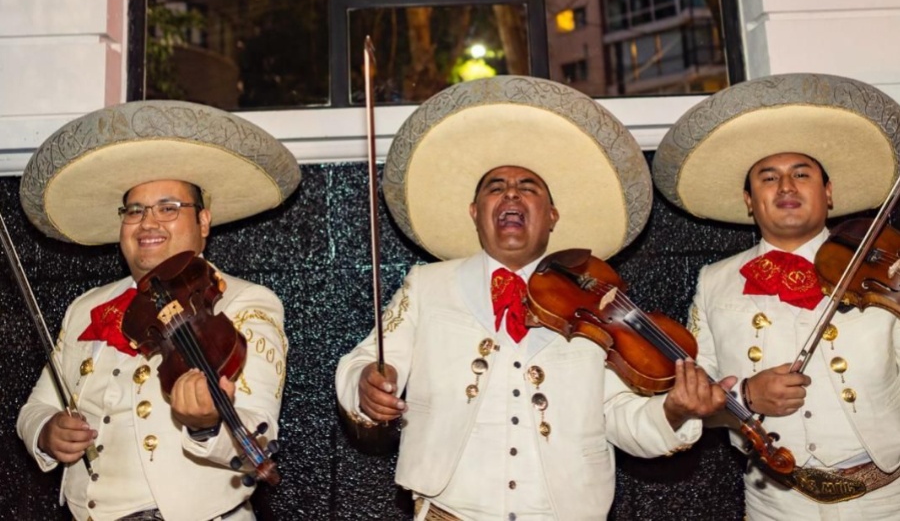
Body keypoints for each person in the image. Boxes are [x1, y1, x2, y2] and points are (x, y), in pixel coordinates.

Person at [336, 75, 733, 521]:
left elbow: (621, 418)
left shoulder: (597, 305)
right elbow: (364, 361)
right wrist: (366, 384)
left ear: (552, 216)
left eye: (529, 187)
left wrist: (674, 410)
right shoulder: (427, 285)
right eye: (495, 186)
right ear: (475, 213)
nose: (511, 192)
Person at [16, 100, 300, 521]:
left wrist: (205, 424)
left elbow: (257, 430)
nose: (148, 223)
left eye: (168, 208)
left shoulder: (246, 302)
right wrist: (45, 432)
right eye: (135, 211)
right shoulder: (87, 307)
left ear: (203, 221)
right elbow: (35, 407)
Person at [652, 71, 900, 520]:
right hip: (775, 504)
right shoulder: (715, 280)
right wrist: (745, 397)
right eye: (769, 178)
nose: (786, 187)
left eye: (801, 174)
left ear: (827, 193)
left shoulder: (883, 268)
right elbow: (694, 397)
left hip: (887, 501)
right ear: (750, 200)